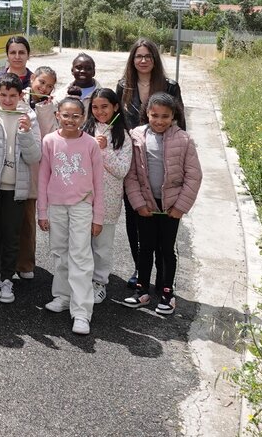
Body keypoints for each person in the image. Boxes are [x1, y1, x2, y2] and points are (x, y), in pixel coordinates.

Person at [116, 37, 187, 287]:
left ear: (155, 59)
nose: (143, 60)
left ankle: (163, 275)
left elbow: (180, 127)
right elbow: (116, 122)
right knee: (135, 218)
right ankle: (140, 269)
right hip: (133, 162)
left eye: (148, 56)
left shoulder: (170, 86)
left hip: (161, 162)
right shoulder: (123, 86)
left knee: (163, 224)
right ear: (132, 60)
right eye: (139, 56)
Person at [123, 92, 202, 315]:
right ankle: (142, 290)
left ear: (173, 115)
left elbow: (193, 176)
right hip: (146, 204)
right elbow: (131, 176)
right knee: (145, 247)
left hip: (171, 207)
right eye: (154, 115)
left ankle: (167, 293)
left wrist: (180, 207)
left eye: (165, 116)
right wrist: (138, 203)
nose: (159, 120)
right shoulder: (136, 136)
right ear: (147, 113)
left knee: (166, 249)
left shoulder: (184, 140)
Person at [38, 97, 105, 336]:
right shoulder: (49, 141)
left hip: (81, 206)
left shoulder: (90, 145)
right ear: (57, 115)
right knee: (59, 251)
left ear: (84, 118)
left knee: (80, 255)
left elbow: (99, 181)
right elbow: (44, 176)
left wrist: (98, 216)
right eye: (66, 115)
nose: (70, 120)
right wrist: (42, 211)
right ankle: (63, 296)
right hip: (56, 205)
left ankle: (81, 312)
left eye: (76, 116)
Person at [0, 72, 41, 304]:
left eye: (13, 95)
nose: (8, 99)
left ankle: (7, 278)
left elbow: (35, 156)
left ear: (21, 95)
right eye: (3, 95)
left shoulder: (29, 117)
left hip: (17, 187)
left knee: (12, 234)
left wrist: (25, 134)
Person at [82, 88, 132, 304]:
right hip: (82, 196)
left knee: (102, 245)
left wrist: (104, 150)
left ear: (116, 107)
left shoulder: (123, 136)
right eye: (95, 107)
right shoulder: (84, 130)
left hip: (109, 199)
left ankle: (99, 281)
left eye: (105, 107)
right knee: (81, 242)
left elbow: (122, 170)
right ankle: (81, 279)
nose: (100, 111)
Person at [16, 65, 58, 280]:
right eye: (41, 82)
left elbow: (48, 137)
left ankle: (25, 263)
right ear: (32, 78)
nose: (44, 88)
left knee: (27, 220)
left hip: (34, 170)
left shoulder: (50, 107)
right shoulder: (16, 96)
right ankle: (6, 262)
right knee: (7, 218)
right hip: (12, 165)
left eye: (49, 86)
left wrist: (45, 109)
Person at [0, 35, 33, 102]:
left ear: (28, 55)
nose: (17, 57)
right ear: (7, 55)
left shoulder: (36, 83)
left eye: (21, 53)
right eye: (13, 53)